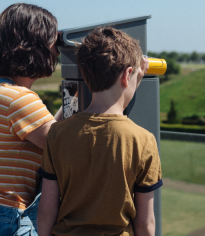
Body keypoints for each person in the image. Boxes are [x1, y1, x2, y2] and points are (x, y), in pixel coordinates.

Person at [37, 27, 163, 236]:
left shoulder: (57, 134)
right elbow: (145, 223)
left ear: (85, 77)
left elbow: (46, 211)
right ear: (128, 74)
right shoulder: (143, 140)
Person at [0, 3, 63, 236]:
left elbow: (52, 132)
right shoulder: (18, 99)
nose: (58, 50)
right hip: (8, 224)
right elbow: (66, 146)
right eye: (54, 40)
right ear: (35, 44)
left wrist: (73, 98)